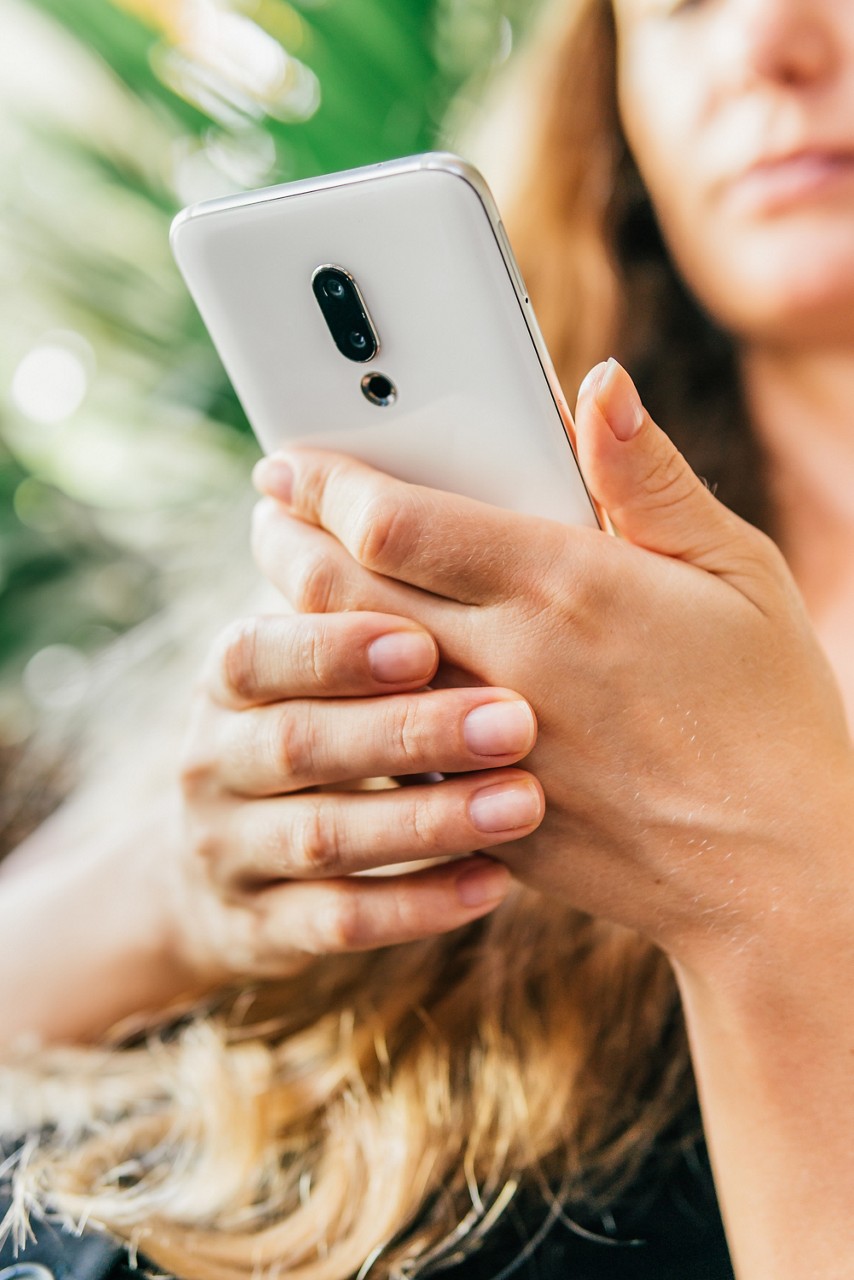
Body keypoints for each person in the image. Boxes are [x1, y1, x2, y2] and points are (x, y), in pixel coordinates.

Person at [1, 0, 853, 1277]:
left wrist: (770, 889)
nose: (764, 42)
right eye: (678, 3)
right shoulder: (495, 534)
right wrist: (188, 887)